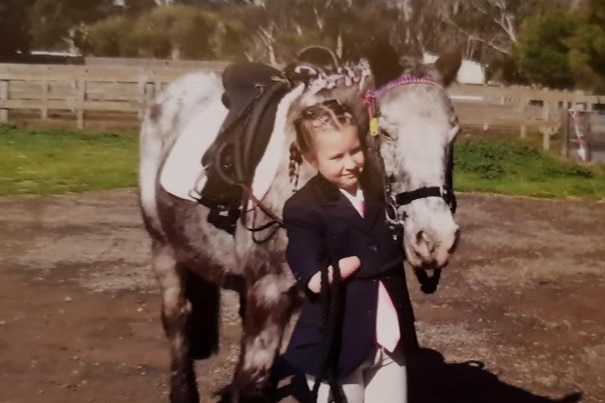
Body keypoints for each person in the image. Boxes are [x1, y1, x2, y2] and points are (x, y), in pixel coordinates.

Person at [282, 99, 413, 403]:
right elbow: (312, 275)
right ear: (311, 159)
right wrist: (344, 267)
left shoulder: (381, 191)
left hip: (389, 337)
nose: (351, 163)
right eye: (336, 157)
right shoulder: (303, 208)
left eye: (355, 150)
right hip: (337, 340)